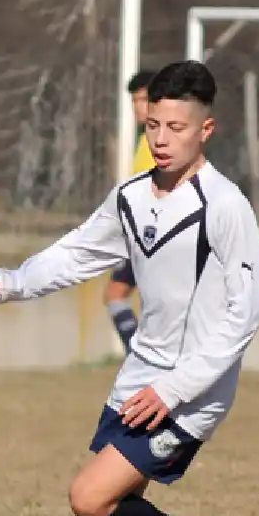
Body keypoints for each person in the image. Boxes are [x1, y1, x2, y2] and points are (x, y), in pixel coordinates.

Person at [0, 61, 259, 516]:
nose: (162, 139)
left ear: (205, 130)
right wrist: (13, 283)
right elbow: (80, 252)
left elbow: (244, 315)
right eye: (154, 125)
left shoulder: (225, 206)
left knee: (90, 498)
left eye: (177, 127)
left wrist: (175, 390)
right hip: (139, 375)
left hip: (191, 389)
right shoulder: (132, 196)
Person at [104, 68, 157, 353]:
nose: (138, 107)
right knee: (115, 295)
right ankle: (139, 358)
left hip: (155, 236)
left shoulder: (163, 143)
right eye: (135, 101)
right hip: (138, 235)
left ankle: (144, 360)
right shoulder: (144, 139)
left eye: (144, 99)